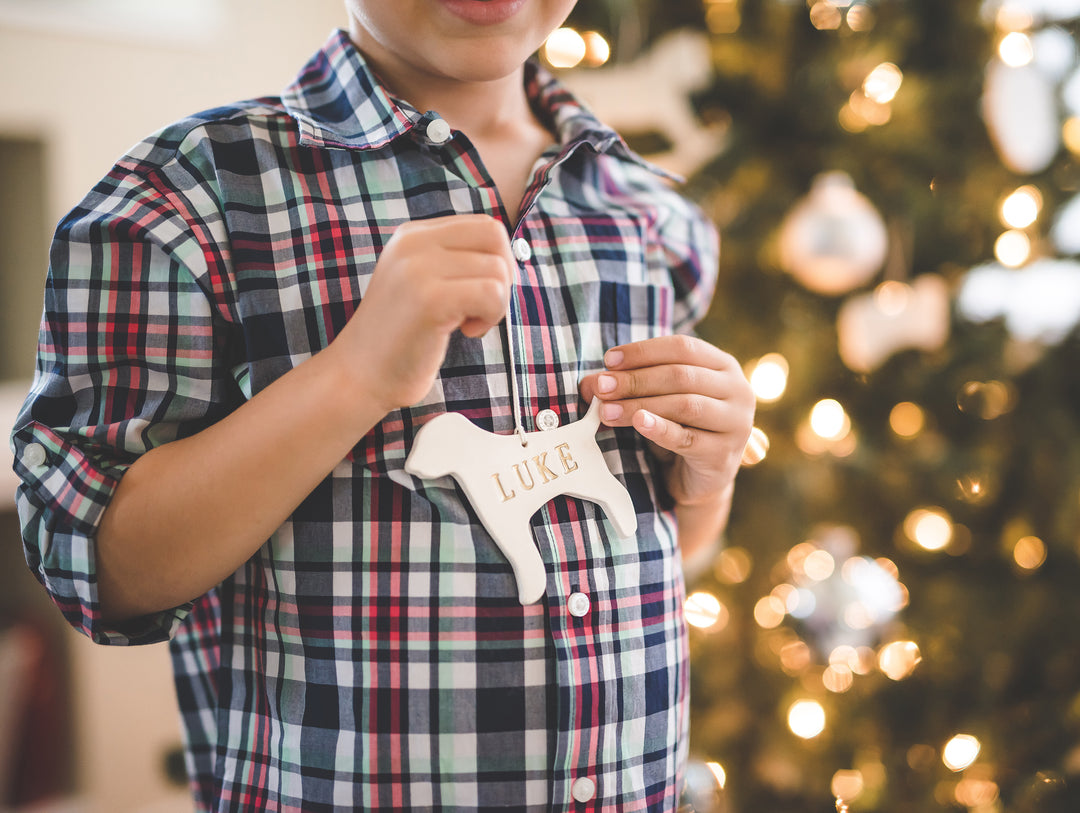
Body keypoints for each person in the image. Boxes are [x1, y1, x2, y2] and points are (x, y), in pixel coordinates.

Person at [11, 0, 755, 810]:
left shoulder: (650, 213)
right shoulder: (188, 198)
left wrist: (708, 476)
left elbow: (654, 553)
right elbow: (93, 566)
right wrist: (355, 376)